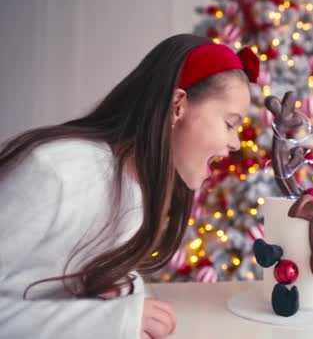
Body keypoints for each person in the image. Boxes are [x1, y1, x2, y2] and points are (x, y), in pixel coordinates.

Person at [0, 34, 259, 338]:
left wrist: (118, 296)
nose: (235, 142)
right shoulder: (55, 171)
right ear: (177, 106)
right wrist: (112, 319)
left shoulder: (134, 191)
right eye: (229, 123)